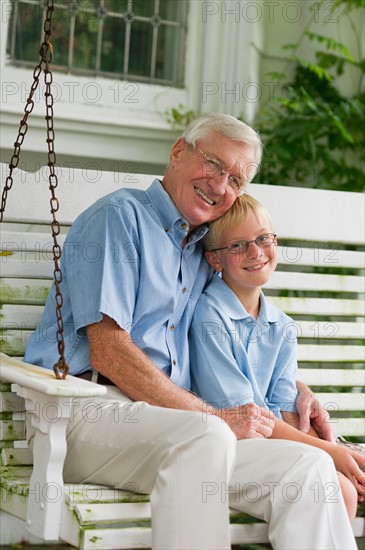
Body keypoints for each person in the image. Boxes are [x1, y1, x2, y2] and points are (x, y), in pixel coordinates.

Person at [24, 113, 358, 550]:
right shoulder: (119, 218)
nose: (221, 185)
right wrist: (214, 416)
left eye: (235, 179)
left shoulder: (203, 249)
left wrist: (298, 389)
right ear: (178, 151)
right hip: (83, 413)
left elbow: (231, 336)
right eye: (214, 164)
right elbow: (108, 350)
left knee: (308, 470)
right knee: (208, 434)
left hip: (176, 427)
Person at [189, 193, 365, 522]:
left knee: (345, 483)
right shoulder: (209, 316)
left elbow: (286, 413)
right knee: (335, 488)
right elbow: (247, 417)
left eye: (262, 239)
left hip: (276, 443)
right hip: (231, 443)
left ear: (275, 242)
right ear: (215, 259)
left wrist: (340, 453)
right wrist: (331, 453)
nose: (255, 252)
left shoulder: (281, 326)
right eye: (237, 246)